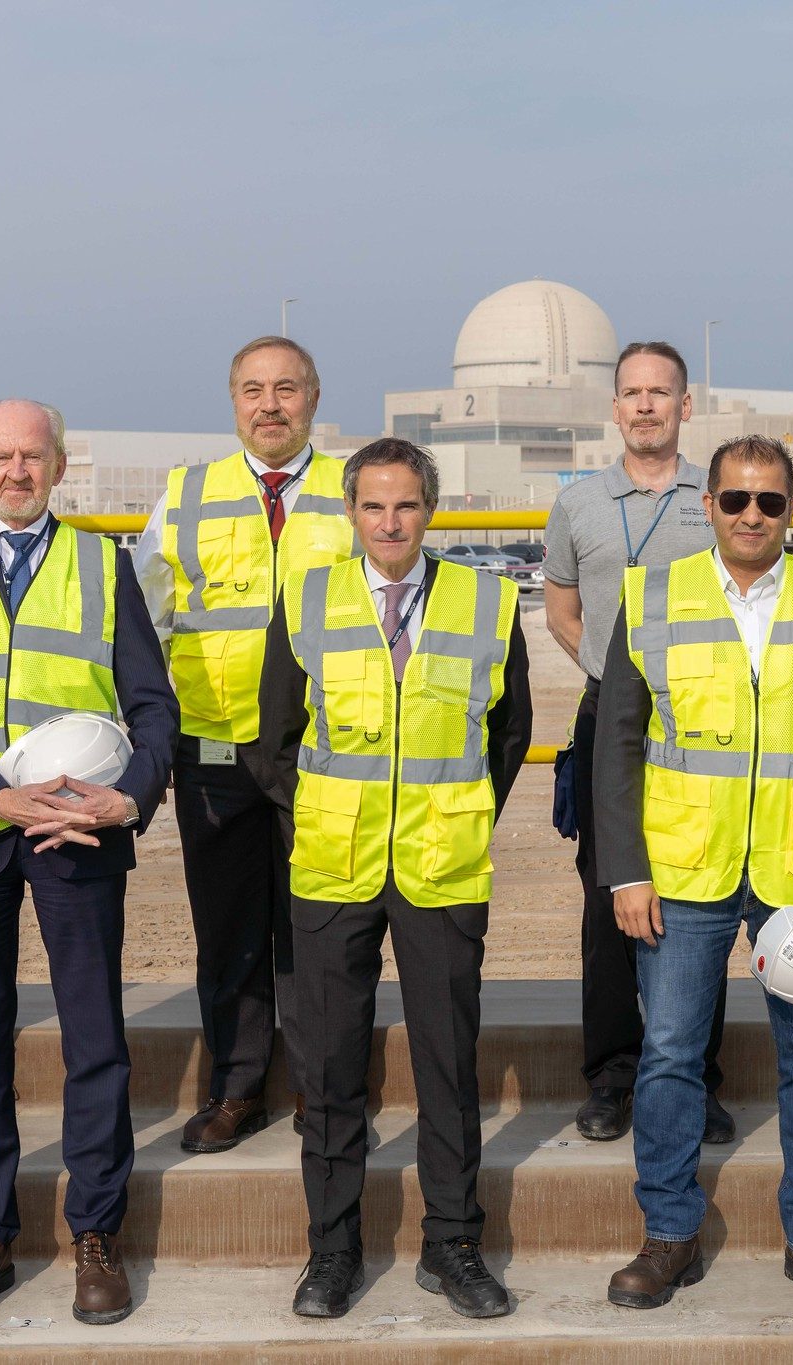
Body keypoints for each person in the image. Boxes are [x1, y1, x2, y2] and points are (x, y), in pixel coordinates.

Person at [594, 435, 793, 1312]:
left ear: (792, 509)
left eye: (770, 501)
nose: (752, 516)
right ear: (710, 506)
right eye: (736, 500)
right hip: (683, 868)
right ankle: (668, 1233)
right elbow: (614, 738)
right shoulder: (652, 595)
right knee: (668, 1056)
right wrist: (625, 870)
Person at [0, 399, 178, 1328]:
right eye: (2, 456)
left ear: (61, 466)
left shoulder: (104, 564)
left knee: (94, 1035)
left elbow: (152, 706)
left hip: (79, 832)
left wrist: (127, 796)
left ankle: (96, 1231)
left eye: (35, 456)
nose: (18, 471)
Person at [258, 439, 533, 1320]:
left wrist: (454, 812)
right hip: (333, 864)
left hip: (440, 865)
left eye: (407, 505)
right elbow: (272, 741)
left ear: (430, 509)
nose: (390, 522)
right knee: (332, 1067)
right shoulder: (309, 598)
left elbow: (509, 732)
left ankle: (452, 1242)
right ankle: (332, 1250)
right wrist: (325, 817)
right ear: (350, 511)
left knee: (449, 1065)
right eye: (373, 507)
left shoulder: (488, 602)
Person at [132, 336, 356, 1152]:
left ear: (313, 399)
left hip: (323, 752)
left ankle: (320, 1087)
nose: (270, 404)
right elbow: (143, 618)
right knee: (226, 928)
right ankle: (235, 1088)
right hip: (216, 753)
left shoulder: (355, 490)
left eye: (287, 388)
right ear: (233, 401)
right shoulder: (187, 494)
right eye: (254, 389)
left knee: (318, 927)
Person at [542, 341, 729, 1145]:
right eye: (632, 393)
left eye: (662, 392)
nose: (646, 405)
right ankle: (613, 1074)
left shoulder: (719, 497)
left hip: (700, 725)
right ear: (614, 409)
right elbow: (559, 606)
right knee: (607, 898)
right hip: (605, 723)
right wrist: (609, 679)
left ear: (686, 405)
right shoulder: (578, 503)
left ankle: (694, 1074)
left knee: (703, 896)